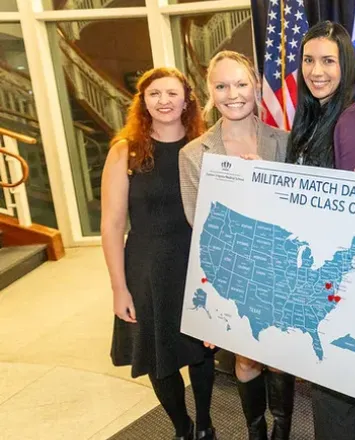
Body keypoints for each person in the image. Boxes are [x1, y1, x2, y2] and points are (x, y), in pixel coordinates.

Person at [178, 50, 293, 440]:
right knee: (246, 357)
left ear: (256, 86)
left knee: (278, 357)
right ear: (210, 91)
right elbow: (199, 224)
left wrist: (265, 179)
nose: (233, 94)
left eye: (241, 84)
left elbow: (296, 214)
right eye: (222, 86)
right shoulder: (193, 154)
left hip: (278, 266)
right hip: (232, 272)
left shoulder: (283, 143)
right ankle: (255, 432)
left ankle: (282, 430)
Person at [102, 67, 216, 440]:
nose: (163, 101)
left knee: (201, 351)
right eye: (154, 94)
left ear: (187, 101)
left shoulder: (204, 146)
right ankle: (182, 428)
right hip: (147, 268)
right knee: (158, 355)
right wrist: (119, 288)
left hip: (195, 263)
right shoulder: (126, 152)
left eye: (171, 93)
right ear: (143, 102)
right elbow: (112, 225)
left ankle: (205, 425)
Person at [283, 21, 355, 440]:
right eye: (308, 60)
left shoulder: (352, 120)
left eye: (328, 61)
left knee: (339, 405)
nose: (316, 71)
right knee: (336, 401)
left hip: (339, 284)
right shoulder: (314, 117)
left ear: (347, 66)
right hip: (318, 279)